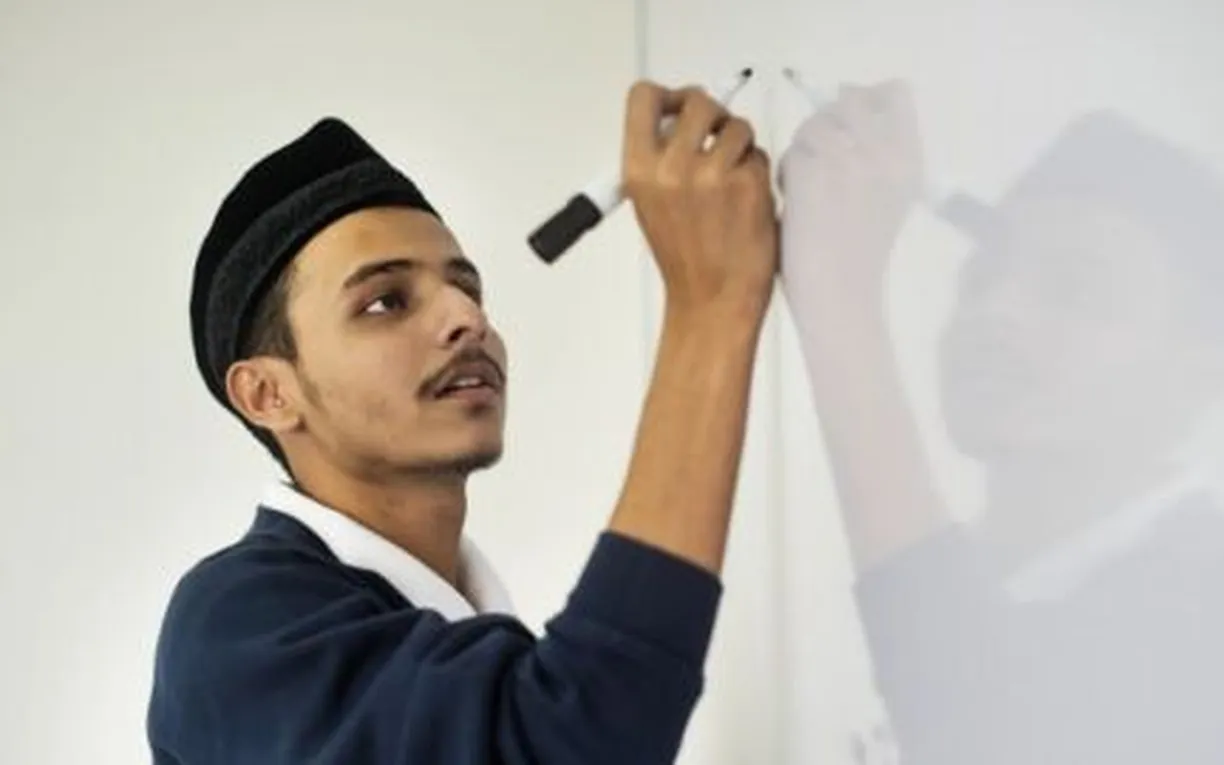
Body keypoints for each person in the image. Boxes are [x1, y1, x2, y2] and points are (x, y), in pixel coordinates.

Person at [146, 80, 778, 765]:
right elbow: (563, 741)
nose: (467, 318)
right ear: (268, 394)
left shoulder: (459, 624)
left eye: (466, 286)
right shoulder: (235, 623)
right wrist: (710, 307)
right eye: (386, 301)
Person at [778, 83, 1224, 763]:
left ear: (1204, 374)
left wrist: (837, 292)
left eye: (1075, 289)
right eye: (982, 278)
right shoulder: (894, 598)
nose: (997, 312)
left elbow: (985, 722)